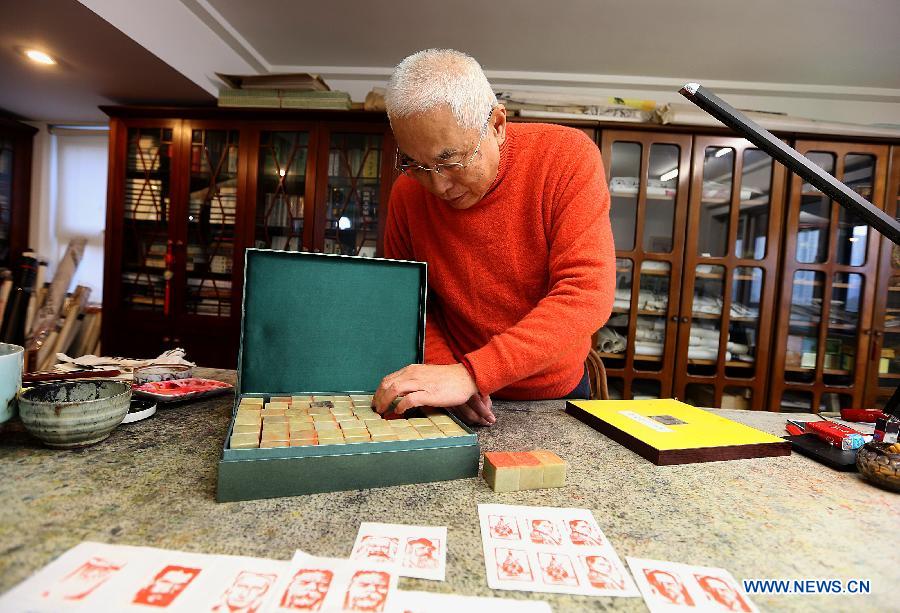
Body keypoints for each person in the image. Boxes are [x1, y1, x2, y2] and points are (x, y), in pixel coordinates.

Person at [373, 48, 614, 425]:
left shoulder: (567, 158)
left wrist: (472, 374)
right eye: (415, 164)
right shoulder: (407, 193)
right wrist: (445, 370)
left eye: (450, 161)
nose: (437, 185)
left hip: (552, 394)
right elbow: (410, 301)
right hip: (449, 389)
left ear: (498, 125)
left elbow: (586, 294)